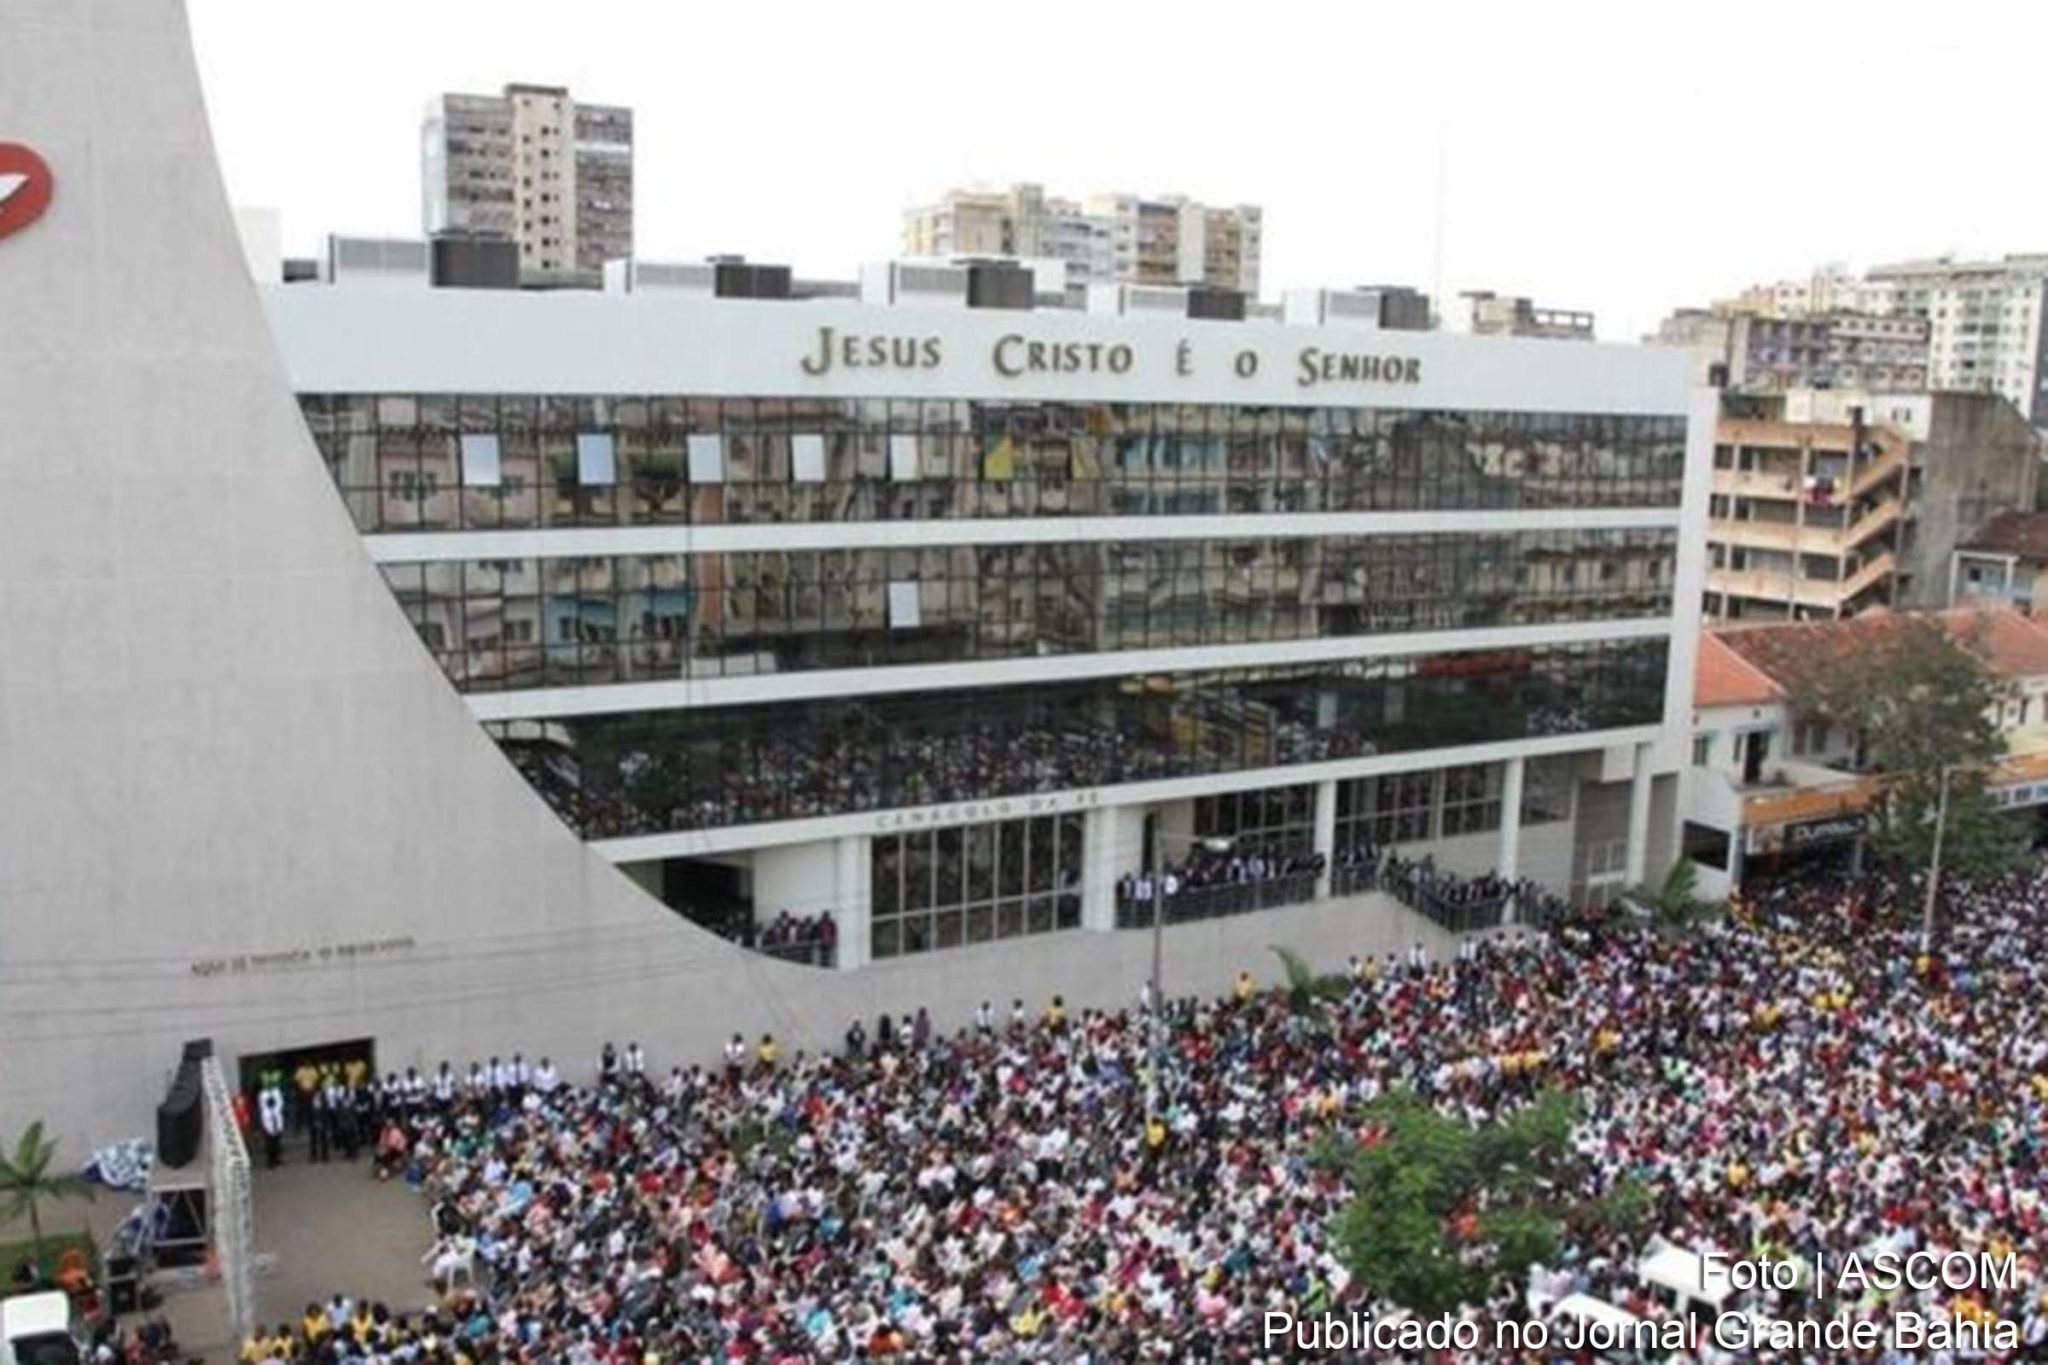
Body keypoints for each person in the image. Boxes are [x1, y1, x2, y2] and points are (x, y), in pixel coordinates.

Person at [256, 1081, 285, 1169]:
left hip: (277, 1117)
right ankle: (270, 1160)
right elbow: (262, 1105)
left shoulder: (276, 1092)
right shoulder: (263, 1094)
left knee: (277, 1140)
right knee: (269, 1141)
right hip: (268, 1118)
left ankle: (276, 1158)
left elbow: (280, 1102)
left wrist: (276, 1109)